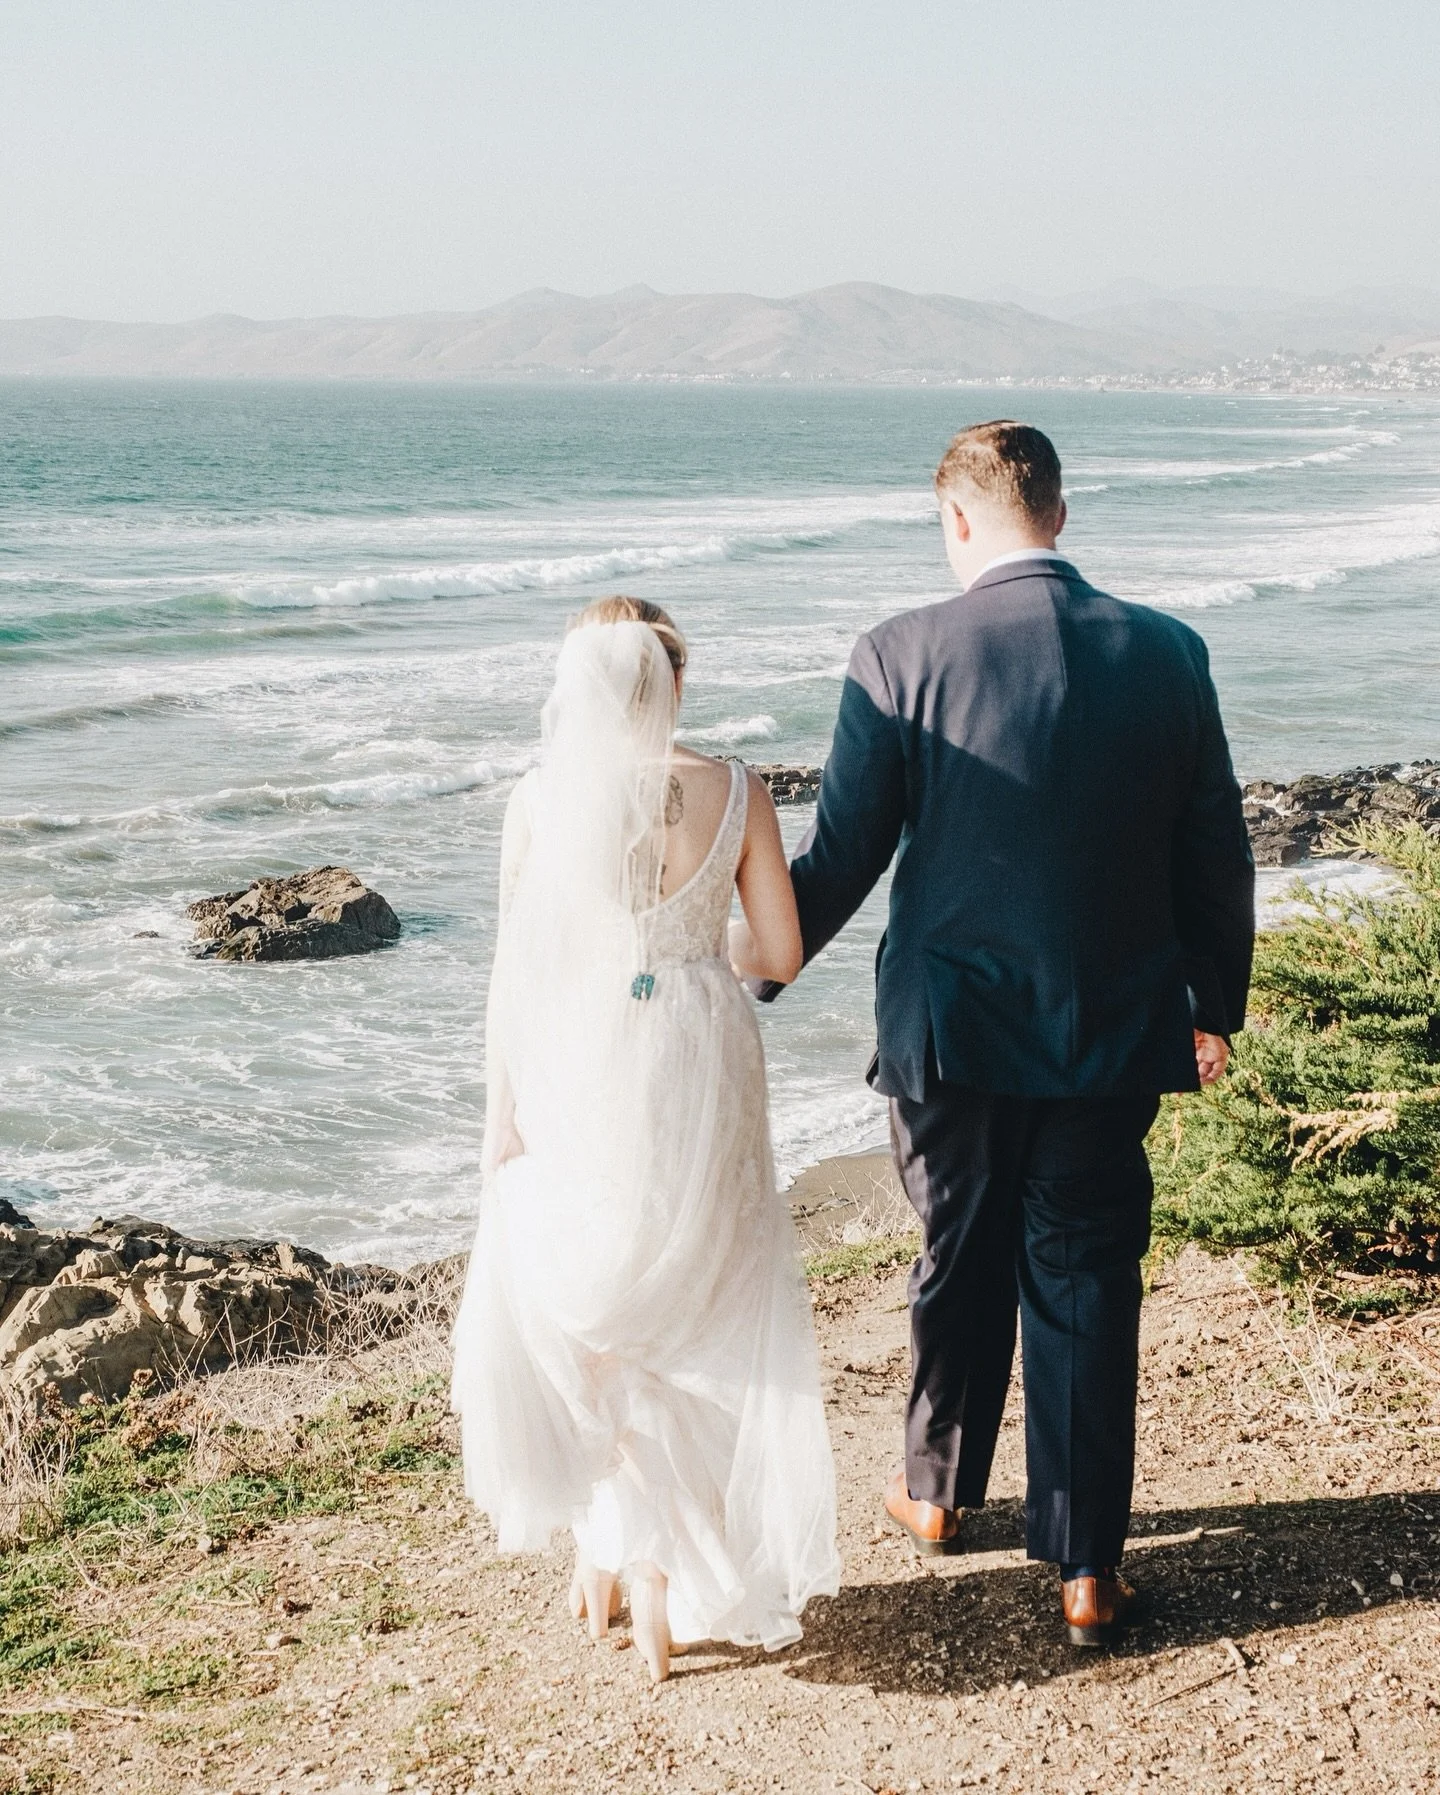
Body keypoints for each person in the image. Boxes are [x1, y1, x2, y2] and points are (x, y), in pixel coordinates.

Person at [759, 421, 1255, 1646]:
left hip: (952, 1031)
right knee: (1084, 1275)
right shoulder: (1169, 650)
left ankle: (936, 1493)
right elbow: (1215, 848)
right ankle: (1087, 1570)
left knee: (956, 1251)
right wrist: (1214, 1005)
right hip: (1111, 1024)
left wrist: (749, 967)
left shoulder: (900, 654)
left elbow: (842, 856)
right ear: (1061, 515)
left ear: (957, 520)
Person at [451, 596, 840, 1684]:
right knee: (698, 1302)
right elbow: (780, 955)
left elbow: (516, 977)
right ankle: (655, 1561)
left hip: (584, 1058)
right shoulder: (741, 789)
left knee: (598, 1303)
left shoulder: (539, 800)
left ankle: (616, 1552)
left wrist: (500, 1117)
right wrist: (691, 945)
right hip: (704, 1054)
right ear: (676, 681)